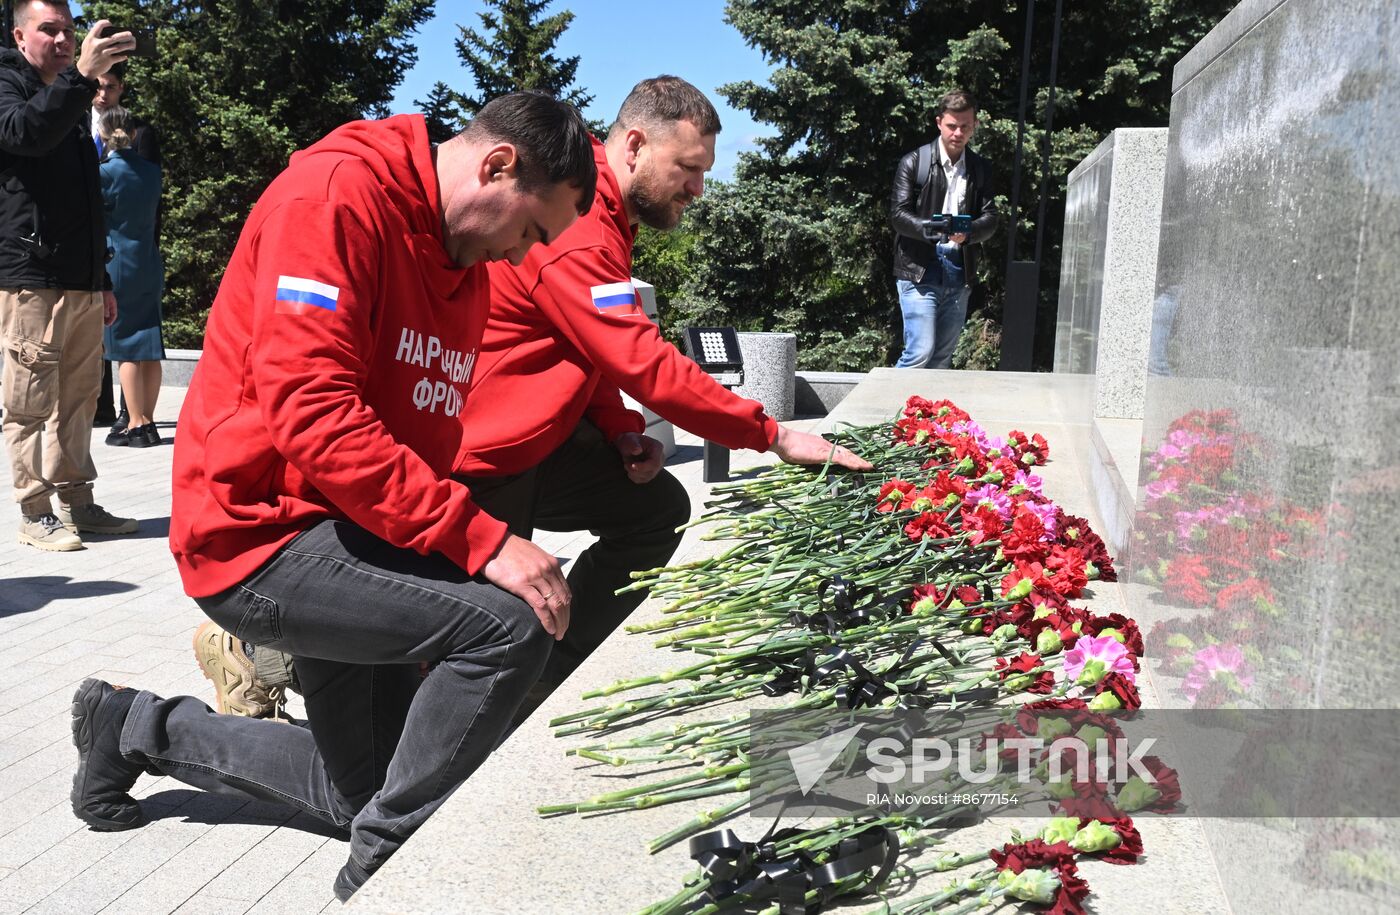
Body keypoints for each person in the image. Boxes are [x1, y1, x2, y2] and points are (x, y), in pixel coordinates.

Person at [194, 76, 873, 722]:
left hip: (532, 440)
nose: (698, 188)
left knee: (648, 513)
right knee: (470, 627)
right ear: (635, 146)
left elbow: (585, 343)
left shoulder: (589, 211)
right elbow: (640, 358)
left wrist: (616, 424)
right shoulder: (568, 217)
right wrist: (773, 435)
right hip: (480, 451)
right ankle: (264, 654)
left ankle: (535, 681)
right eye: (688, 168)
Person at [68, 91, 596, 902]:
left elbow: (426, 433)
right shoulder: (334, 200)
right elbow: (311, 410)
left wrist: (438, 578)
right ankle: (386, 872)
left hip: (353, 537)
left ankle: (134, 725)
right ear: (498, 166)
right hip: (258, 536)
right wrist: (482, 542)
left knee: (374, 787)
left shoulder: (466, 267)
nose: (521, 255)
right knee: (510, 625)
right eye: (531, 229)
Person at [0, 1, 138, 551]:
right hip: (31, 273)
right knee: (29, 400)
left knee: (80, 398)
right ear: (19, 36)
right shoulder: (9, 84)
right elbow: (25, 134)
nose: (62, 40)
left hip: (81, 276)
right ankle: (34, 512)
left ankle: (78, 502)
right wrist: (79, 78)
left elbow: (87, 199)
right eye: (48, 30)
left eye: (68, 30)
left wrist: (101, 277)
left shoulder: (72, 96)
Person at [890, 89, 998, 370]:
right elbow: (898, 215)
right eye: (952, 125)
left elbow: (990, 218)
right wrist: (930, 229)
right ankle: (890, 399)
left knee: (941, 358)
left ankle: (927, 404)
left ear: (974, 125)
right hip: (919, 267)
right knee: (920, 352)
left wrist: (969, 232)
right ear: (939, 122)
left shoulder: (980, 168)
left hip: (959, 269)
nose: (958, 133)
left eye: (965, 126)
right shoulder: (915, 162)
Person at [89, 64, 160, 430]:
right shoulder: (152, 172)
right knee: (149, 346)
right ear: (132, 134)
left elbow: (94, 217)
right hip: (148, 260)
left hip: (117, 262)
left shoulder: (104, 172)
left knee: (126, 348)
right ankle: (147, 419)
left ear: (104, 134)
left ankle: (134, 423)